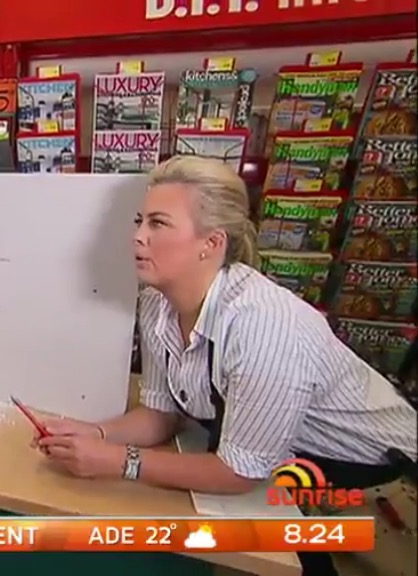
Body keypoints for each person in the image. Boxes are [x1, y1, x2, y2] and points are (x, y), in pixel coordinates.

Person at [32, 156, 417, 576]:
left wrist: (118, 461)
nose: (137, 236)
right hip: (292, 471)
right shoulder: (157, 303)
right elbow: (162, 415)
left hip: (376, 484)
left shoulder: (264, 324)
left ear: (211, 244)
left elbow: (239, 471)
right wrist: (96, 433)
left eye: (158, 224)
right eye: (139, 221)